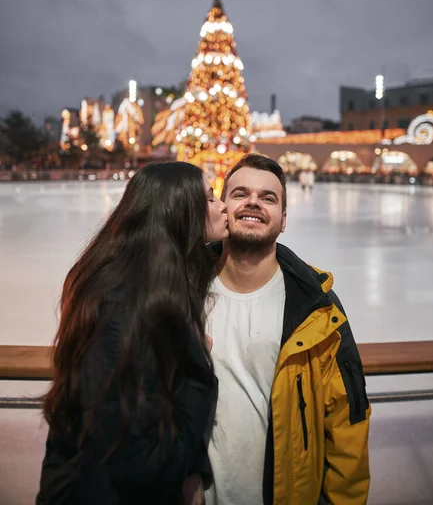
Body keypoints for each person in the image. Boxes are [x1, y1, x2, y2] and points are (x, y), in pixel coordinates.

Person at [37, 161, 228, 505]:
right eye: (212, 198)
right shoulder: (126, 311)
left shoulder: (150, 282)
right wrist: (198, 367)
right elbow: (141, 462)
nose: (223, 206)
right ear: (181, 213)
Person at [205, 153, 371, 505]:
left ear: (283, 220)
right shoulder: (181, 289)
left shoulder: (318, 308)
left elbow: (347, 420)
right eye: (240, 194)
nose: (253, 202)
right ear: (222, 207)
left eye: (268, 197)